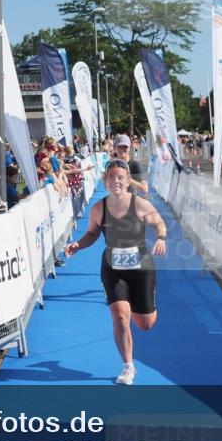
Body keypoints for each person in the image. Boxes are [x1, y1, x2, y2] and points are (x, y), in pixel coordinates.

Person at [64, 159, 166, 385]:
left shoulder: (140, 205)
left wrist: (161, 238)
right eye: (112, 177)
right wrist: (77, 245)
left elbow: (160, 223)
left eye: (121, 177)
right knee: (120, 316)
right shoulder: (98, 208)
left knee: (145, 324)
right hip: (113, 268)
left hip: (141, 269)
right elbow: (91, 233)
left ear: (127, 180)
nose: (116, 181)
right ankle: (128, 366)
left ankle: (146, 306)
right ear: (105, 180)